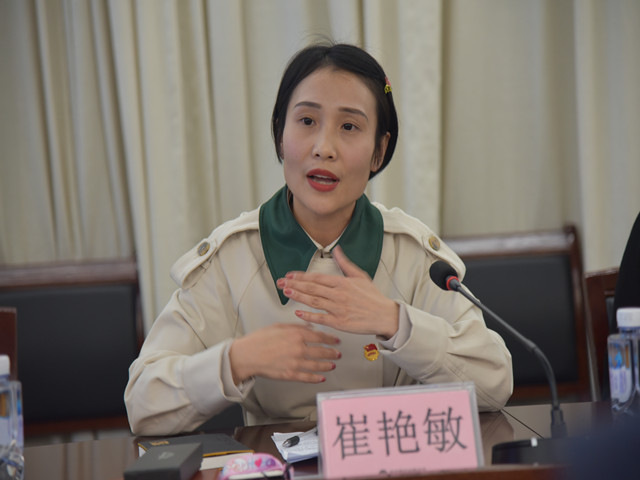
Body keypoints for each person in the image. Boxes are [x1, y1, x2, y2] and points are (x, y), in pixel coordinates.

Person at [124, 42, 513, 436]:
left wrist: (395, 322)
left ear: (379, 151)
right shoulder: (232, 258)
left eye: (349, 127)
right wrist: (235, 361)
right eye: (307, 121)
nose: (324, 148)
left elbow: (494, 383)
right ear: (280, 134)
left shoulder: (412, 255)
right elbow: (142, 403)